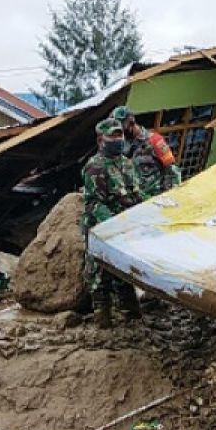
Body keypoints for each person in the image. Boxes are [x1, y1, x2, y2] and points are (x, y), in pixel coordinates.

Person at [83, 119, 145, 328]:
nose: (118, 140)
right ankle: (103, 321)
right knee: (100, 277)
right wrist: (113, 225)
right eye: (113, 136)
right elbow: (94, 203)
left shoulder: (127, 163)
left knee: (125, 274)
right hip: (102, 229)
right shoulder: (95, 167)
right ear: (101, 140)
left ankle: (133, 319)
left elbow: (136, 194)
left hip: (125, 230)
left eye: (120, 135)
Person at [111, 105, 181, 198]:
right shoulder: (124, 146)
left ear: (131, 123)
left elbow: (173, 170)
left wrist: (172, 195)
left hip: (156, 198)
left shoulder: (155, 140)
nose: (120, 134)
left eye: (122, 130)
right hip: (138, 200)